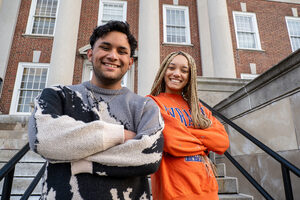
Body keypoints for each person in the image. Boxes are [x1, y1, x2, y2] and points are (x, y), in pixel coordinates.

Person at [28, 21, 164, 200]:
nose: (113, 56)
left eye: (122, 51)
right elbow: (41, 138)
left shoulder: (145, 106)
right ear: (90, 54)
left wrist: (79, 159)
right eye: (105, 47)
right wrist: (120, 135)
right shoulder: (57, 94)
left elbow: (150, 156)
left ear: (130, 62)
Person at [148, 51, 229, 200]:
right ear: (164, 70)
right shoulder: (152, 103)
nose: (177, 74)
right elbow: (171, 142)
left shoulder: (199, 109)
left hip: (208, 189)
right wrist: (204, 141)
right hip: (175, 192)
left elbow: (222, 142)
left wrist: (184, 132)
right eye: (172, 68)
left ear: (190, 77)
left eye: (184, 70)